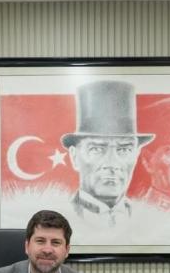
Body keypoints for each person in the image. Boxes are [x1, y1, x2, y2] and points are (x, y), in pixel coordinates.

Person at [60, 80, 154, 227]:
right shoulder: (61, 217)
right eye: (97, 149)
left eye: (124, 149)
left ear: (136, 154)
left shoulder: (151, 221)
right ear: (75, 156)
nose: (112, 164)